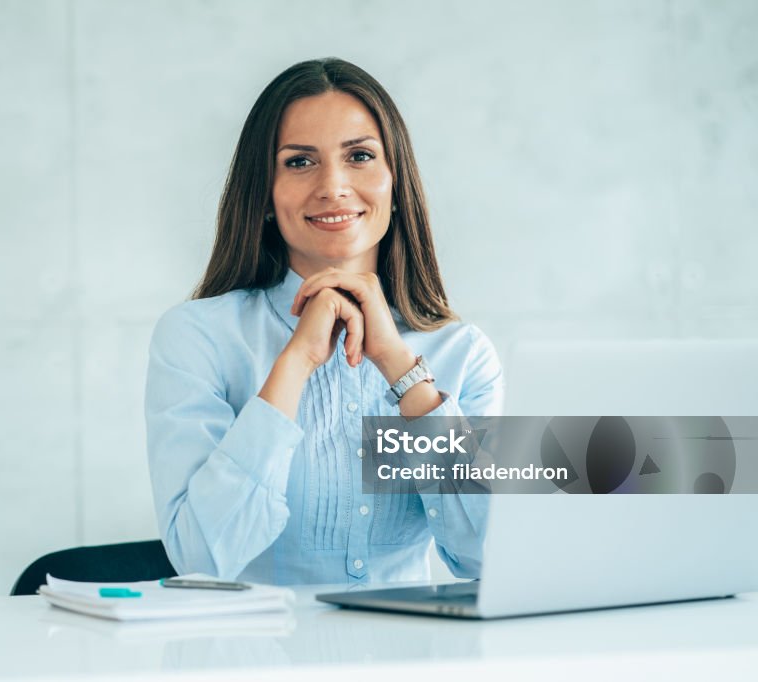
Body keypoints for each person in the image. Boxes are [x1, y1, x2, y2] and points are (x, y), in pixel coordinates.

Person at [145, 58, 504, 585]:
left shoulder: (462, 353)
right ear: (264, 194)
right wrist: (294, 364)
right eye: (298, 162)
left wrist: (402, 371)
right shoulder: (197, 338)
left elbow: (489, 557)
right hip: (253, 662)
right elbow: (201, 559)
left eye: (359, 156)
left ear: (395, 183)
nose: (333, 186)